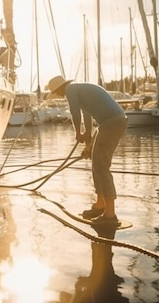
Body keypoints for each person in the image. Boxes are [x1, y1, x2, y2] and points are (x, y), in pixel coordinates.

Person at [47, 76, 128, 228]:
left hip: (111, 122)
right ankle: (100, 204)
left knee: (101, 166)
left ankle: (110, 215)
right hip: (111, 122)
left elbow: (75, 113)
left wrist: (78, 132)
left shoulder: (71, 89)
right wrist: (88, 142)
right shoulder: (79, 89)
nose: (58, 96)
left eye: (56, 92)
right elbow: (87, 115)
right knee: (95, 163)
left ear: (59, 89)